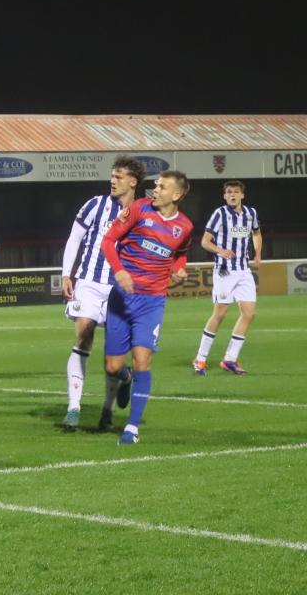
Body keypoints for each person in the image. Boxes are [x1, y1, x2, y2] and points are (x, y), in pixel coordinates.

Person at [100, 171, 193, 445]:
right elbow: (108, 241)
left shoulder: (184, 226)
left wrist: (179, 269)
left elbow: (180, 252)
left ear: (176, 195)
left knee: (143, 360)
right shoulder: (138, 209)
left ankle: (132, 427)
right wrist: (119, 271)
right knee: (113, 366)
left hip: (151, 302)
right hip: (121, 299)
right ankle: (124, 377)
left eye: (162, 186)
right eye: (155, 184)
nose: (156, 189)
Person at [60, 155, 146, 431]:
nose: (113, 180)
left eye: (119, 177)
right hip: (89, 282)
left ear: (133, 182)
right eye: (112, 175)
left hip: (121, 290)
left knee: (113, 361)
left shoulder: (144, 213)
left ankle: (117, 392)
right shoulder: (95, 206)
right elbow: (75, 238)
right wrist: (66, 273)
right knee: (83, 336)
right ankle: (74, 407)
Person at [194, 181, 262, 375]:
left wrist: (258, 254)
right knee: (220, 313)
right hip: (224, 270)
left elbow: (257, 234)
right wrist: (220, 250)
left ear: (242, 195)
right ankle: (200, 359)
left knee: (249, 313)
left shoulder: (251, 214)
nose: (232, 195)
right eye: (229, 192)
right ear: (225, 196)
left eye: (236, 192)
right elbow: (205, 242)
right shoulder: (219, 214)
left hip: (244, 270)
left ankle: (230, 360)